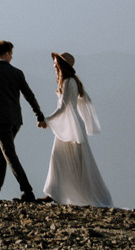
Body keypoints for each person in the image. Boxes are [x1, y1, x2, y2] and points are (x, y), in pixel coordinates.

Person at [41, 52, 115, 208]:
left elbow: (63, 107)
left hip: (71, 128)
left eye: (56, 64)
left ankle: (56, 194)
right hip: (71, 126)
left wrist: (46, 120)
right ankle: (54, 193)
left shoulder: (68, 82)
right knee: (66, 159)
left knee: (65, 159)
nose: (54, 66)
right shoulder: (71, 81)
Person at [0, 40, 47, 202]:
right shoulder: (17, 73)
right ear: (7, 53)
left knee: (9, 154)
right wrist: (39, 115)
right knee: (2, 153)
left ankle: (27, 191)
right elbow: (29, 95)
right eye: (11, 54)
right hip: (16, 119)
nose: (12, 57)